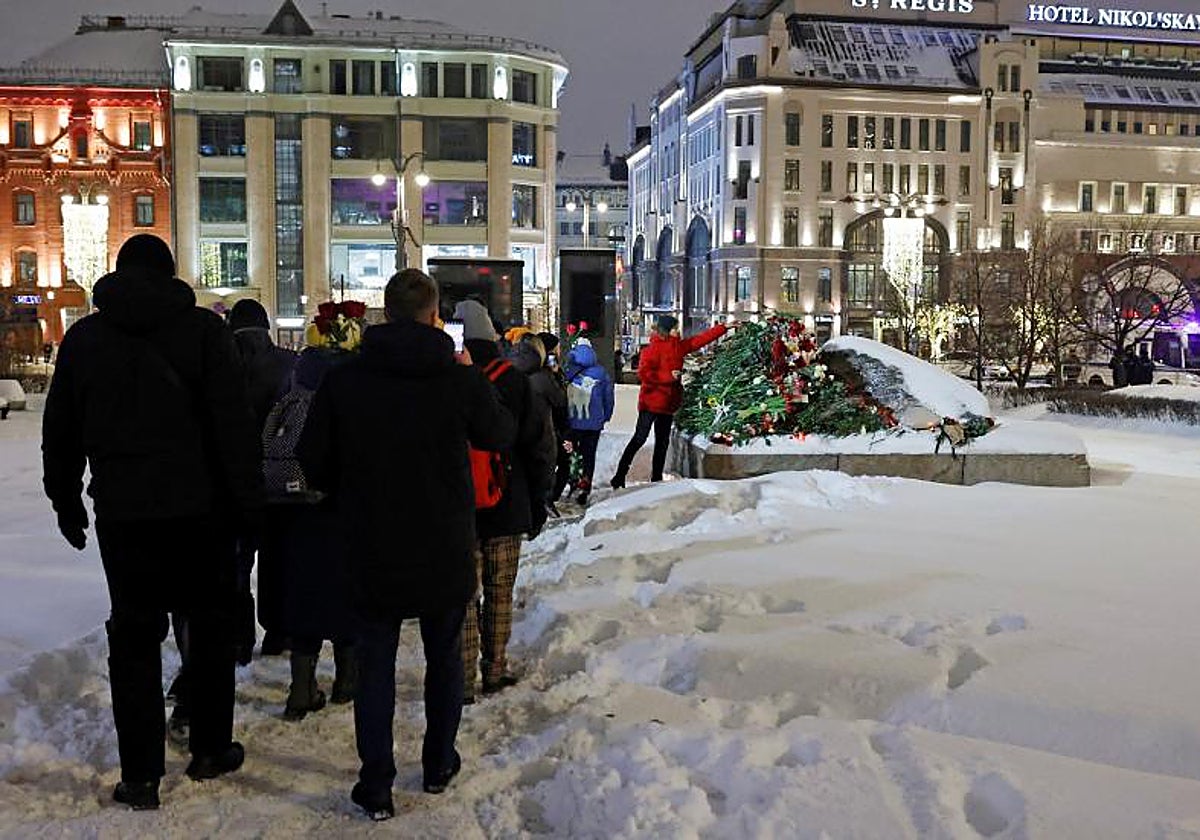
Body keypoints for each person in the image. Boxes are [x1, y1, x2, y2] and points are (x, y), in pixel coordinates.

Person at [42, 234, 260, 810]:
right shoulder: (205, 334)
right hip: (201, 512)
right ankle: (211, 747)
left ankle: (140, 774)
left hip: (124, 513)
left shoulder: (84, 339)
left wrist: (65, 502)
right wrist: (247, 509)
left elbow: (60, 432)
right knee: (209, 627)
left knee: (134, 637)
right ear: (168, 275)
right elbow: (232, 428)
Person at [297, 270, 514, 819]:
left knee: (376, 664)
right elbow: (498, 434)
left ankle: (377, 785)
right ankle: (439, 763)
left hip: (371, 541)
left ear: (383, 313)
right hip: (442, 540)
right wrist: (473, 379)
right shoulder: (456, 378)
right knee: (444, 656)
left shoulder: (346, 381)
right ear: (433, 313)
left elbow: (312, 458)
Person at [454, 299, 554, 704]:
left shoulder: (447, 379)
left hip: (459, 508)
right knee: (498, 592)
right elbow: (540, 447)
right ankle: (494, 669)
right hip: (507, 504)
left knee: (463, 596)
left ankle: (460, 679)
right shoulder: (514, 381)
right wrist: (538, 499)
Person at [261, 342, 360, 720]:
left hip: (286, 515)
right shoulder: (337, 406)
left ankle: (301, 687)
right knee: (342, 593)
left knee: (301, 597)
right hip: (331, 512)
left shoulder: (287, 401)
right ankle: (347, 679)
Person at [227, 299, 297, 662]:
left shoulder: (221, 365)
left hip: (233, 483)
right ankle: (278, 631)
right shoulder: (289, 364)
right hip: (279, 482)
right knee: (277, 560)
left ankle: (238, 640)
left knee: (236, 563)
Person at [610, 315, 729, 488]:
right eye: (675, 328)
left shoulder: (678, 347)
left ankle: (656, 478)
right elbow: (644, 375)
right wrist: (668, 377)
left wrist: (723, 328)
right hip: (651, 403)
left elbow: (699, 340)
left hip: (667, 404)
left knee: (662, 442)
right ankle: (620, 475)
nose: (678, 330)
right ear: (667, 330)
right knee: (639, 438)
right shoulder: (651, 350)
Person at [508, 332, 563, 534]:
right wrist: (555, 374)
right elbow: (560, 401)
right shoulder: (543, 377)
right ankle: (535, 524)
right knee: (541, 476)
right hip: (540, 432)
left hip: (513, 434)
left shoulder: (508, 370)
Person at [564, 338, 615, 506]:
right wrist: (605, 416)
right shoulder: (601, 372)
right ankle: (584, 485)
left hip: (573, 422)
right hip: (593, 423)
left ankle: (573, 481)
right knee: (589, 454)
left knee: (573, 452)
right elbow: (608, 398)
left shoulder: (569, 370)